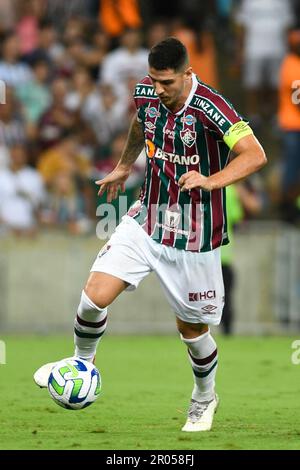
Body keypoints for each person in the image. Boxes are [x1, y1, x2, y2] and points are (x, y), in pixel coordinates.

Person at [34, 38, 267, 432]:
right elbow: (141, 123)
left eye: (167, 82)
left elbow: (254, 154)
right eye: (155, 80)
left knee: (192, 331)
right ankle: (80, 363)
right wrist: (126, 165)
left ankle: (204, 396)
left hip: (194, 233)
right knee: (93, 297)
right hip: (147, 217)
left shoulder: (213, 107)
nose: (158, 89)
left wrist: (212, 180)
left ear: (188, 74)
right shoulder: (146, 92)